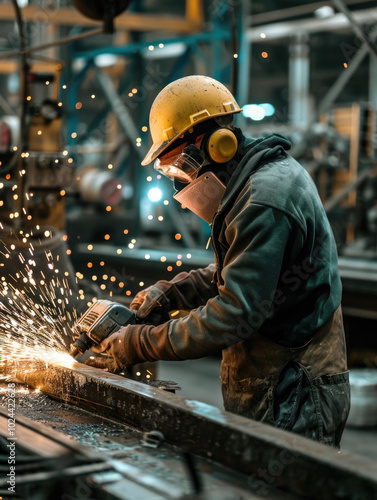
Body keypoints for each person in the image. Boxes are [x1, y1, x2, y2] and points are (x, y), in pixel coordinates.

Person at [87, 75, 350, 446]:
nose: (180, 179)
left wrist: (137, 343)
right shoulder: (251, 183)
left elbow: (234, 312)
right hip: (276, 381)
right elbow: (243, 272)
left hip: (293, 391)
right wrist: (172, 292)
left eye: (179, 164)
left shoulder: (263, 199)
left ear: (214, 144)